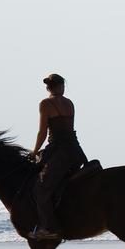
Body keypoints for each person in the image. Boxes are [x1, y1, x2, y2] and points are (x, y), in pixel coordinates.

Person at [26, 73, 87, 240]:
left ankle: (48, 227)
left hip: (59, 152)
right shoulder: (69, 103)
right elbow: (68, 131)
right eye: (63, 85)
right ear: (60, 86)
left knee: (40, 189)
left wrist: (34, 151)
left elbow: (43, 132)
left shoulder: (45, 104)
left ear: (48, 87)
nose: (64, 88)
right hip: (76, 151)